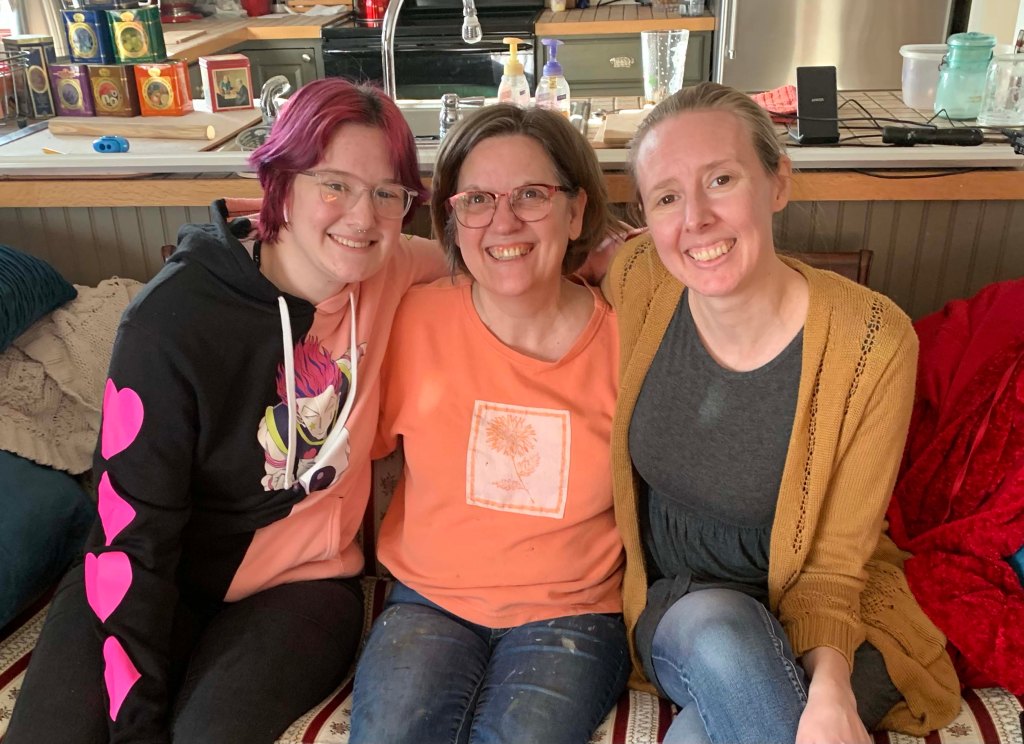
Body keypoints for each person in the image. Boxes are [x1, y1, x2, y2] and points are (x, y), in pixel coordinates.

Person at [5, 78, 447, 743]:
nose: (363, 216)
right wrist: (135, 725)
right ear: (281, 184)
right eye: (334, 185)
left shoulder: (392, 269)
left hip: (302, 588)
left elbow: (493, 262)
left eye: (388, 193)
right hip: (152, 572)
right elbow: (134, 535)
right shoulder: (169, 322)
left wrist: (601, 257)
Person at [606, 82, 961, 744]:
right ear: (647, 218)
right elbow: (525, 261)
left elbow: (834, 565)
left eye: (721, 180)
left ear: (777, 183)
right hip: (689, 611)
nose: (695, 218)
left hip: (832, 618)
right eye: (667, 198)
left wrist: (830, 691)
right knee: (725, 636)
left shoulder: (873, 341)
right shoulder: (639, 280)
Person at [350, 104, 630, 744]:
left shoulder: (626, 339)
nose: (503, 222)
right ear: (453, 220)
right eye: (477, 200)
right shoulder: (413, 320)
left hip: (573, 613)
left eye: (531, 195)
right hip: (429, 600)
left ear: (576, 212)